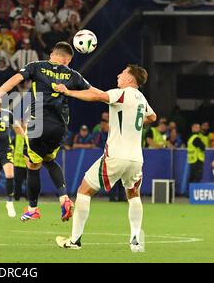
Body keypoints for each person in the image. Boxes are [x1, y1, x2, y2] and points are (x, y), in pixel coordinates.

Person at [54, 64, 157, 252]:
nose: (119, 74)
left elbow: (97, 96)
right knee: (133, 195)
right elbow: (153, 117)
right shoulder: (141, 98)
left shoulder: (122, 93)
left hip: (116, 155)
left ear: (130, 79)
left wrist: (68, 92)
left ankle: (75, 240)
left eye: (123, 72)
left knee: (84, 191)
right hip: (136, 158)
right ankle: (135, 239)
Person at [0, 41, 94, 222]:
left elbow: (16, 79)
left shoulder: (36, 67)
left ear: (53, 53)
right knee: (49, 159)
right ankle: (63, 198)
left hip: (39, 125)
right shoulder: (73, 75)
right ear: (67, 59)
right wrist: (112, 97)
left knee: (32, 163)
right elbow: (94, 93)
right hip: (60, 128)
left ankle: (33, 208)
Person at [187, 123, 206, 187]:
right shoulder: (196, 138)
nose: (198, 128)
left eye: (198, 127)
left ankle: (189, 192)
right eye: (196, 127)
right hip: (197, 159)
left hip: (192, 160)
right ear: (192, 128)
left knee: (192, 177)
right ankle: (193, 191)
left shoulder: (190, 138)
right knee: (197, 177)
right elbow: (202, 147)